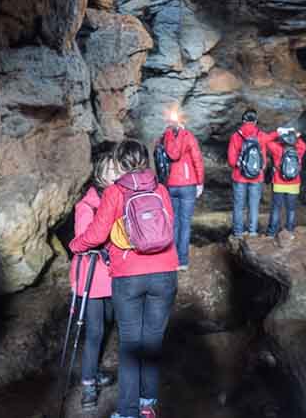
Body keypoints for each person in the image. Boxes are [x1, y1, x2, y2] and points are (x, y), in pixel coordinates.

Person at [73, 140, 179, 418]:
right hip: (165, 273)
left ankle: (128, 412)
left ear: (120, 164)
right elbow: (170, 225)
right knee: (152, 343)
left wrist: (76, 245)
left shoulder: (115, 192)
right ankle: (148, 406)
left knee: (131, 345)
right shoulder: (161, 189)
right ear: (146, 161)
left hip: (129, 276)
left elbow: (96, 235)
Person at [68, 148, 121, 409]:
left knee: (109, 322)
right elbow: (84, 238)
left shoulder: (116, 198)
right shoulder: (86, 205)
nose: (117, 173)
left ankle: (95, 371)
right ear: (100, 174)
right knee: (95, 332)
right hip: (91, 277)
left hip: (110, 275)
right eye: (112, 170)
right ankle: (88, 384)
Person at [160, 111, 204, 270]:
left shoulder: (164, 137)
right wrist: (200, 182)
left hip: (171, 184)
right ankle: (182, 261)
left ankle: (170, 259)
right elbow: (197, 159)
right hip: (188, 183)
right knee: (185, 223)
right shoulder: (188, 136)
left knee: (173, 222)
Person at [227, 109, 275, 237]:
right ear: (255, 121)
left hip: (239, 177)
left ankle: (238, 232)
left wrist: (239, 165)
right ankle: (252, 232)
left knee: (239, 206)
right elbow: (269, 144)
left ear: (243, 120)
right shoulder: (261, 135)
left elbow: (231, 161)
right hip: (257, 177)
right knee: (253, 206)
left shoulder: (235, 136)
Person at [265, 127, 306, 239]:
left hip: (279, 184)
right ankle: (290, 231)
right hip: (294, 184)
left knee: (276, 209)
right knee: (291, 209)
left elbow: (266, 141)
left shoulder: (277, 149)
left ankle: (271, 233)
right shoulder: (299, 150)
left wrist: (278, 132)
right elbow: (303, 144)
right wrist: (296, 135)